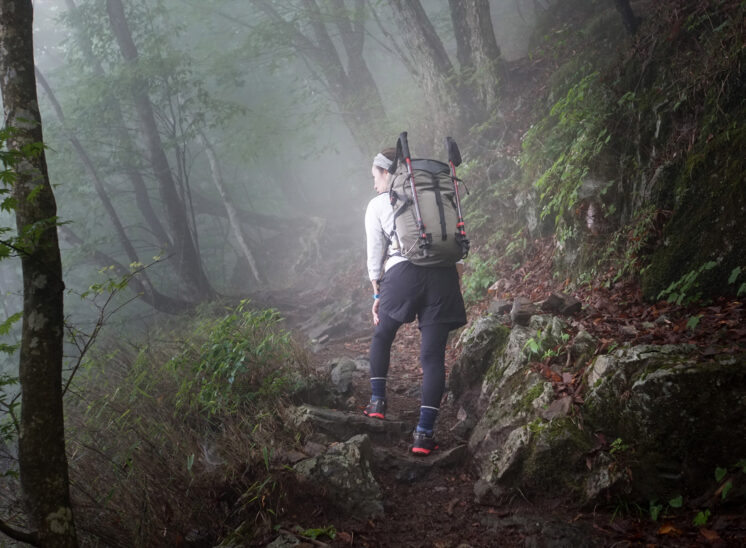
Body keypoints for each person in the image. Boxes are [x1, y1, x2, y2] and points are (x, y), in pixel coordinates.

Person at [363, 147, 467, 455]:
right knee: (433, 358)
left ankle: (377, 402)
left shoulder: (379, 203)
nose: (373, 184)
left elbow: (374, 253)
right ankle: (424, 434)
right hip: (443, 276)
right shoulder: (434, 197)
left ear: (386, 172)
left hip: (403, 274)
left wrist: (377, 293)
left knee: (383, 334)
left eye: (375, 176)